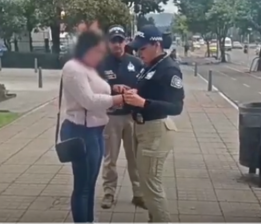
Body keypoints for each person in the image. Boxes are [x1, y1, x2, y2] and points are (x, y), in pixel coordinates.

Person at [59, 23, 124, 223]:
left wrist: (114, 92)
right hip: (81, 131)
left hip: (95, 130)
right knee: (83, 186)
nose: (101, 56)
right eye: (98, 51)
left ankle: (89, 219)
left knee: (90, 183)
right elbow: (87, 100)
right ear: (87, 49)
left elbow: (98, 94)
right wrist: (115, 100)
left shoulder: (89, 68)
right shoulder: (74, 68)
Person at [124, 24, 184, 222]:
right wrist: (134, 93)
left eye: (142, 48)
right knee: (146, 182)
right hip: (141, 128)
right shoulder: (150, 65)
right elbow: (146, 88)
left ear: (156, 44)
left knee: (151, 186)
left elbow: (176, 107)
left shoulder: (169, 69)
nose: (139, 52)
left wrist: (144, 103)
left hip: (156, 130)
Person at [98, 25, 146, 209]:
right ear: (108, 43)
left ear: (126, 41)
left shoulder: (136, 62)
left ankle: (138, 193)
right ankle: (109, 192)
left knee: (135, 158)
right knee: (110, 158)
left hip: (132, 116)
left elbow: (145, 87)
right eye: (113, 41)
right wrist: (113, 88)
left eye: (120, 40)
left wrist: (135, 91)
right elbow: (94, 88)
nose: (117, 44)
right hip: (111, 118)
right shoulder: (101, 64)